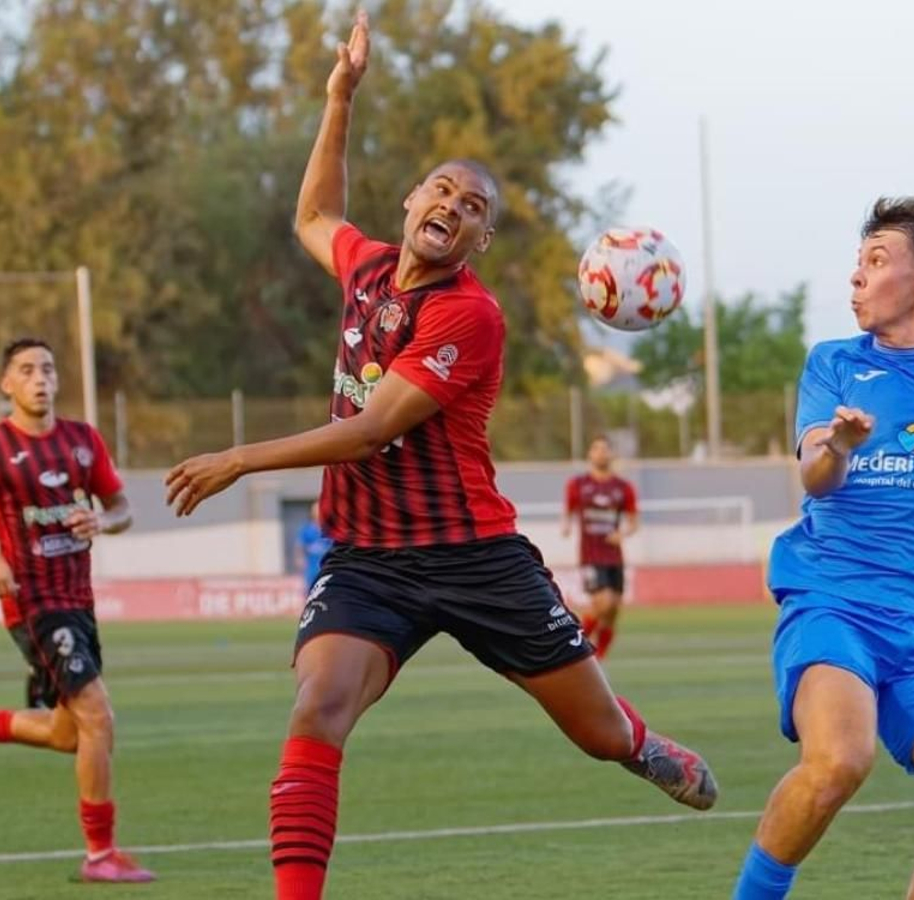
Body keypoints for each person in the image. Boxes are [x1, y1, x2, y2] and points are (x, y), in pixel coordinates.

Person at [162, 12, 716, 899]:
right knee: (318, 708)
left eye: (472, 209)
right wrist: (339, 98)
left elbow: (374, 428)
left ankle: (643, 744)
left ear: (477, 242)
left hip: (473, 558)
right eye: (443, 192)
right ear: (412, 201)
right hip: (368, 561)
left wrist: (239, 458)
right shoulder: (367, 270)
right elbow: (313, 212)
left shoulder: (471, 315)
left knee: (599, 736)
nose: (453, 209)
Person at [732, 197, 914, 900]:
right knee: (838, 759)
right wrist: (840, 444)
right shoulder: (833, 364)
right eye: (857, 263)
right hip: (833, 599)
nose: (856, 277)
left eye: (876, 260)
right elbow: (815, 478)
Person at [0, 337, 153, 884]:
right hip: (34, 605)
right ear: (7, 385)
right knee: (98, 717)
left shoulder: (82, 441)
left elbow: (122, 508)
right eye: (26, 370)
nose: (39, 378)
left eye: (47, 368)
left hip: (80, 602)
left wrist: (104, 520)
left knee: (67, 734)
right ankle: (100, 856)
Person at [561, 435, 639, 658]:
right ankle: (575, 646)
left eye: (605, 449)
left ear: (611, 454)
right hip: (591, 553)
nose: (601, 453)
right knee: (603, 602)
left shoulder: (623, 487)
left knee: (613, 609)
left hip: (614, 555)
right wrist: (566, 525)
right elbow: (569, 510)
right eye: (596, 449)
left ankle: (599, 658)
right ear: (590, 454)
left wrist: (622, 533)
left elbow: (634, 522)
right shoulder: (578, 485)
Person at [296, 500, 333, 587]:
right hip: (311, 566)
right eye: (315, 510)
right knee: (310, 588)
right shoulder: (306, 529)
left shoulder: (330, 529)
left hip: (327, 566)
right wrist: (300, 559)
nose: (317, 512)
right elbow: (300, 546)